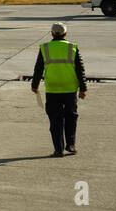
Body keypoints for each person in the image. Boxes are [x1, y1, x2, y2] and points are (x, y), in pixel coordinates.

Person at [30, 22, 87, 157]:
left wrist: (34, 85)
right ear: (65, 34)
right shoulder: (72, 47)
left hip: (52, 89)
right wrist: (83, 88)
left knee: (55, 121)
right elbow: (80, 70)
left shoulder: (45, 48)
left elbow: (38, 69)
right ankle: (71, 145)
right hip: (70, 88)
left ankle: (58, 149)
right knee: (71, 117)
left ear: (52, 33)